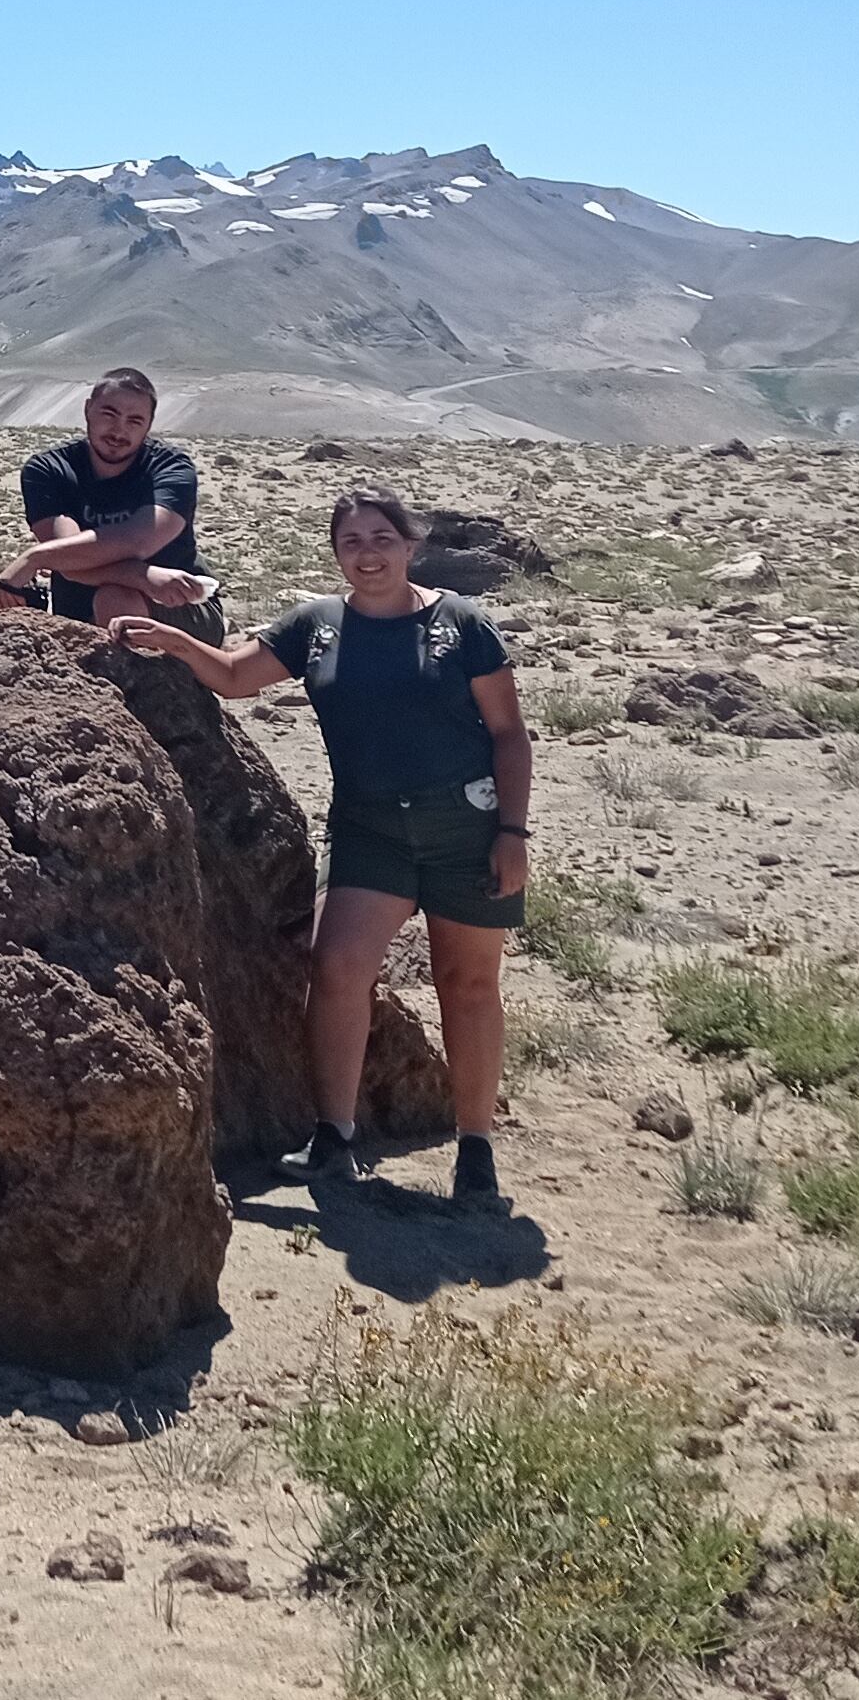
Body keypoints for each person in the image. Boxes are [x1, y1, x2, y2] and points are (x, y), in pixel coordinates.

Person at [109, 488, 533, 1215]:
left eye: (382, 538)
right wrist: (176, 641)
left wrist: (513, 835)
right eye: (352, 543)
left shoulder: (462, 624)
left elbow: (509, 735)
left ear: (411, 542)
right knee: (337, 968)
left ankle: (476, 1150)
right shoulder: (319, 626)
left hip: (465, 825)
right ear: (337, 553)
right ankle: (334, 1137)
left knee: (467, 984)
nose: (368, 554)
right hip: (370, 828)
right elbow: (239, 675)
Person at [0, 367, 222, 640]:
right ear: (88, 409)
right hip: (78, 616)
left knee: (114, 600)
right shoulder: (49, 470)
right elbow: (71, 561)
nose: (119, 430)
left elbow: (137, 541)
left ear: (149, 425)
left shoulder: (170, 469)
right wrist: (143, 576)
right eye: (109, 414)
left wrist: (36, 558)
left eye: (134, 421)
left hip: (180, 606)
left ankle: (139, 682)